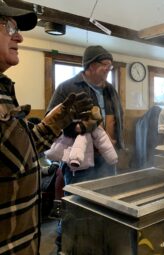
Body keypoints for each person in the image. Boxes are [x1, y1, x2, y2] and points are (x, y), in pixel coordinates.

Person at [0, 2, 94, 254]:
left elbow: (23, 156)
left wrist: (56, 119)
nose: (19, 36)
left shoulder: (3, 90)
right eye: (9, 27)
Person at [46, 45, 124, 252]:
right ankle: (66, 247)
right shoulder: (67, 87)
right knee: (76, 208)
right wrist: (79, 127)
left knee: (105, 207)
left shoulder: (110, 89)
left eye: (110, 65)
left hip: (107, 158)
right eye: (104, 65)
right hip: (79, 162)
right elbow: (50, 121)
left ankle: (96, 246)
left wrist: (118, 145)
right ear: (90, 65)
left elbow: (116, 119)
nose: (109, 69)